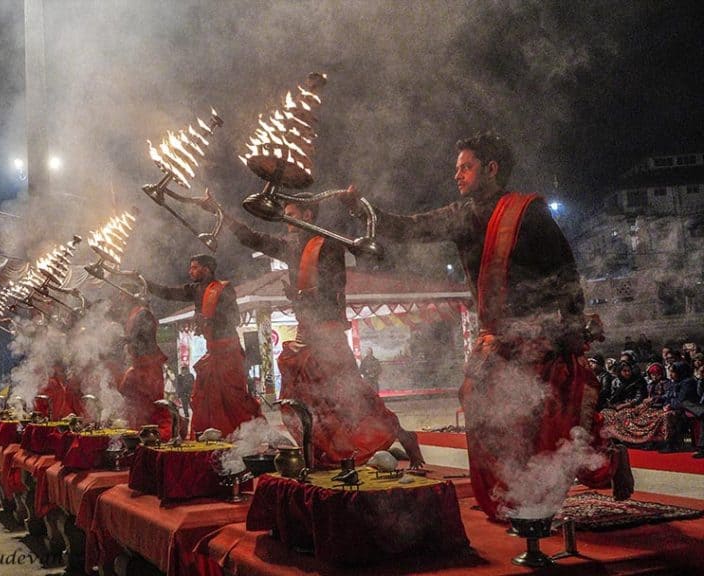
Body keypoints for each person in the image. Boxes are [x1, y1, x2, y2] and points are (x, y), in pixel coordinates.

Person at [342, 131, 633, 519]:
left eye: (466, 167)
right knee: (479, 406)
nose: (457, 175)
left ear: (491, 169)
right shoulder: (460, 216)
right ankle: (508, 499)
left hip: (538, 336)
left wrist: (574, 325)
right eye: (457, 168)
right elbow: (409, 228)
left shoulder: (529, 213)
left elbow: (564, 271)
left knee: (548, 424)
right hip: (494, 338)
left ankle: (604, 463)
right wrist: (364, 210)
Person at [226, 203, 422, 467]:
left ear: (307, 215)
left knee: (350, 395)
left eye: (291, 215)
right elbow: (254, 239)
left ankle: (403, 435)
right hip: (306, 330)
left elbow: (333, 286)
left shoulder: (327, 244)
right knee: (303, 395)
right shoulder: (291, 247)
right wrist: (223, 216)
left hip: (327, 331)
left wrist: (301, 297)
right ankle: (325, 453)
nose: (285, 220)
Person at [145, 254, 261, 436]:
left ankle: (242, 434)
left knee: (232, 397)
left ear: (206, 269)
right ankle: (210, 434)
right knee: (205, 396)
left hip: (228, 351)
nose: (189, 271)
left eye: (194, 267)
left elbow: (234, 319)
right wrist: (144, 282)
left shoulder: (223, 289)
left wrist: (209, 320)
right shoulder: (195, 290)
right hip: (212, 351)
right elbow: (168, 293)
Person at [109, 290, 172, 439]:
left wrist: (123, 340)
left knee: (150, 405)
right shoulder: (133, 314)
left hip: (148, 368)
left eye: (123, 295)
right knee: (130, 399)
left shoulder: (143, 314)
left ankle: (155, 435)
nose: (120, 299)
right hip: (138, 367)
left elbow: (140, 339)